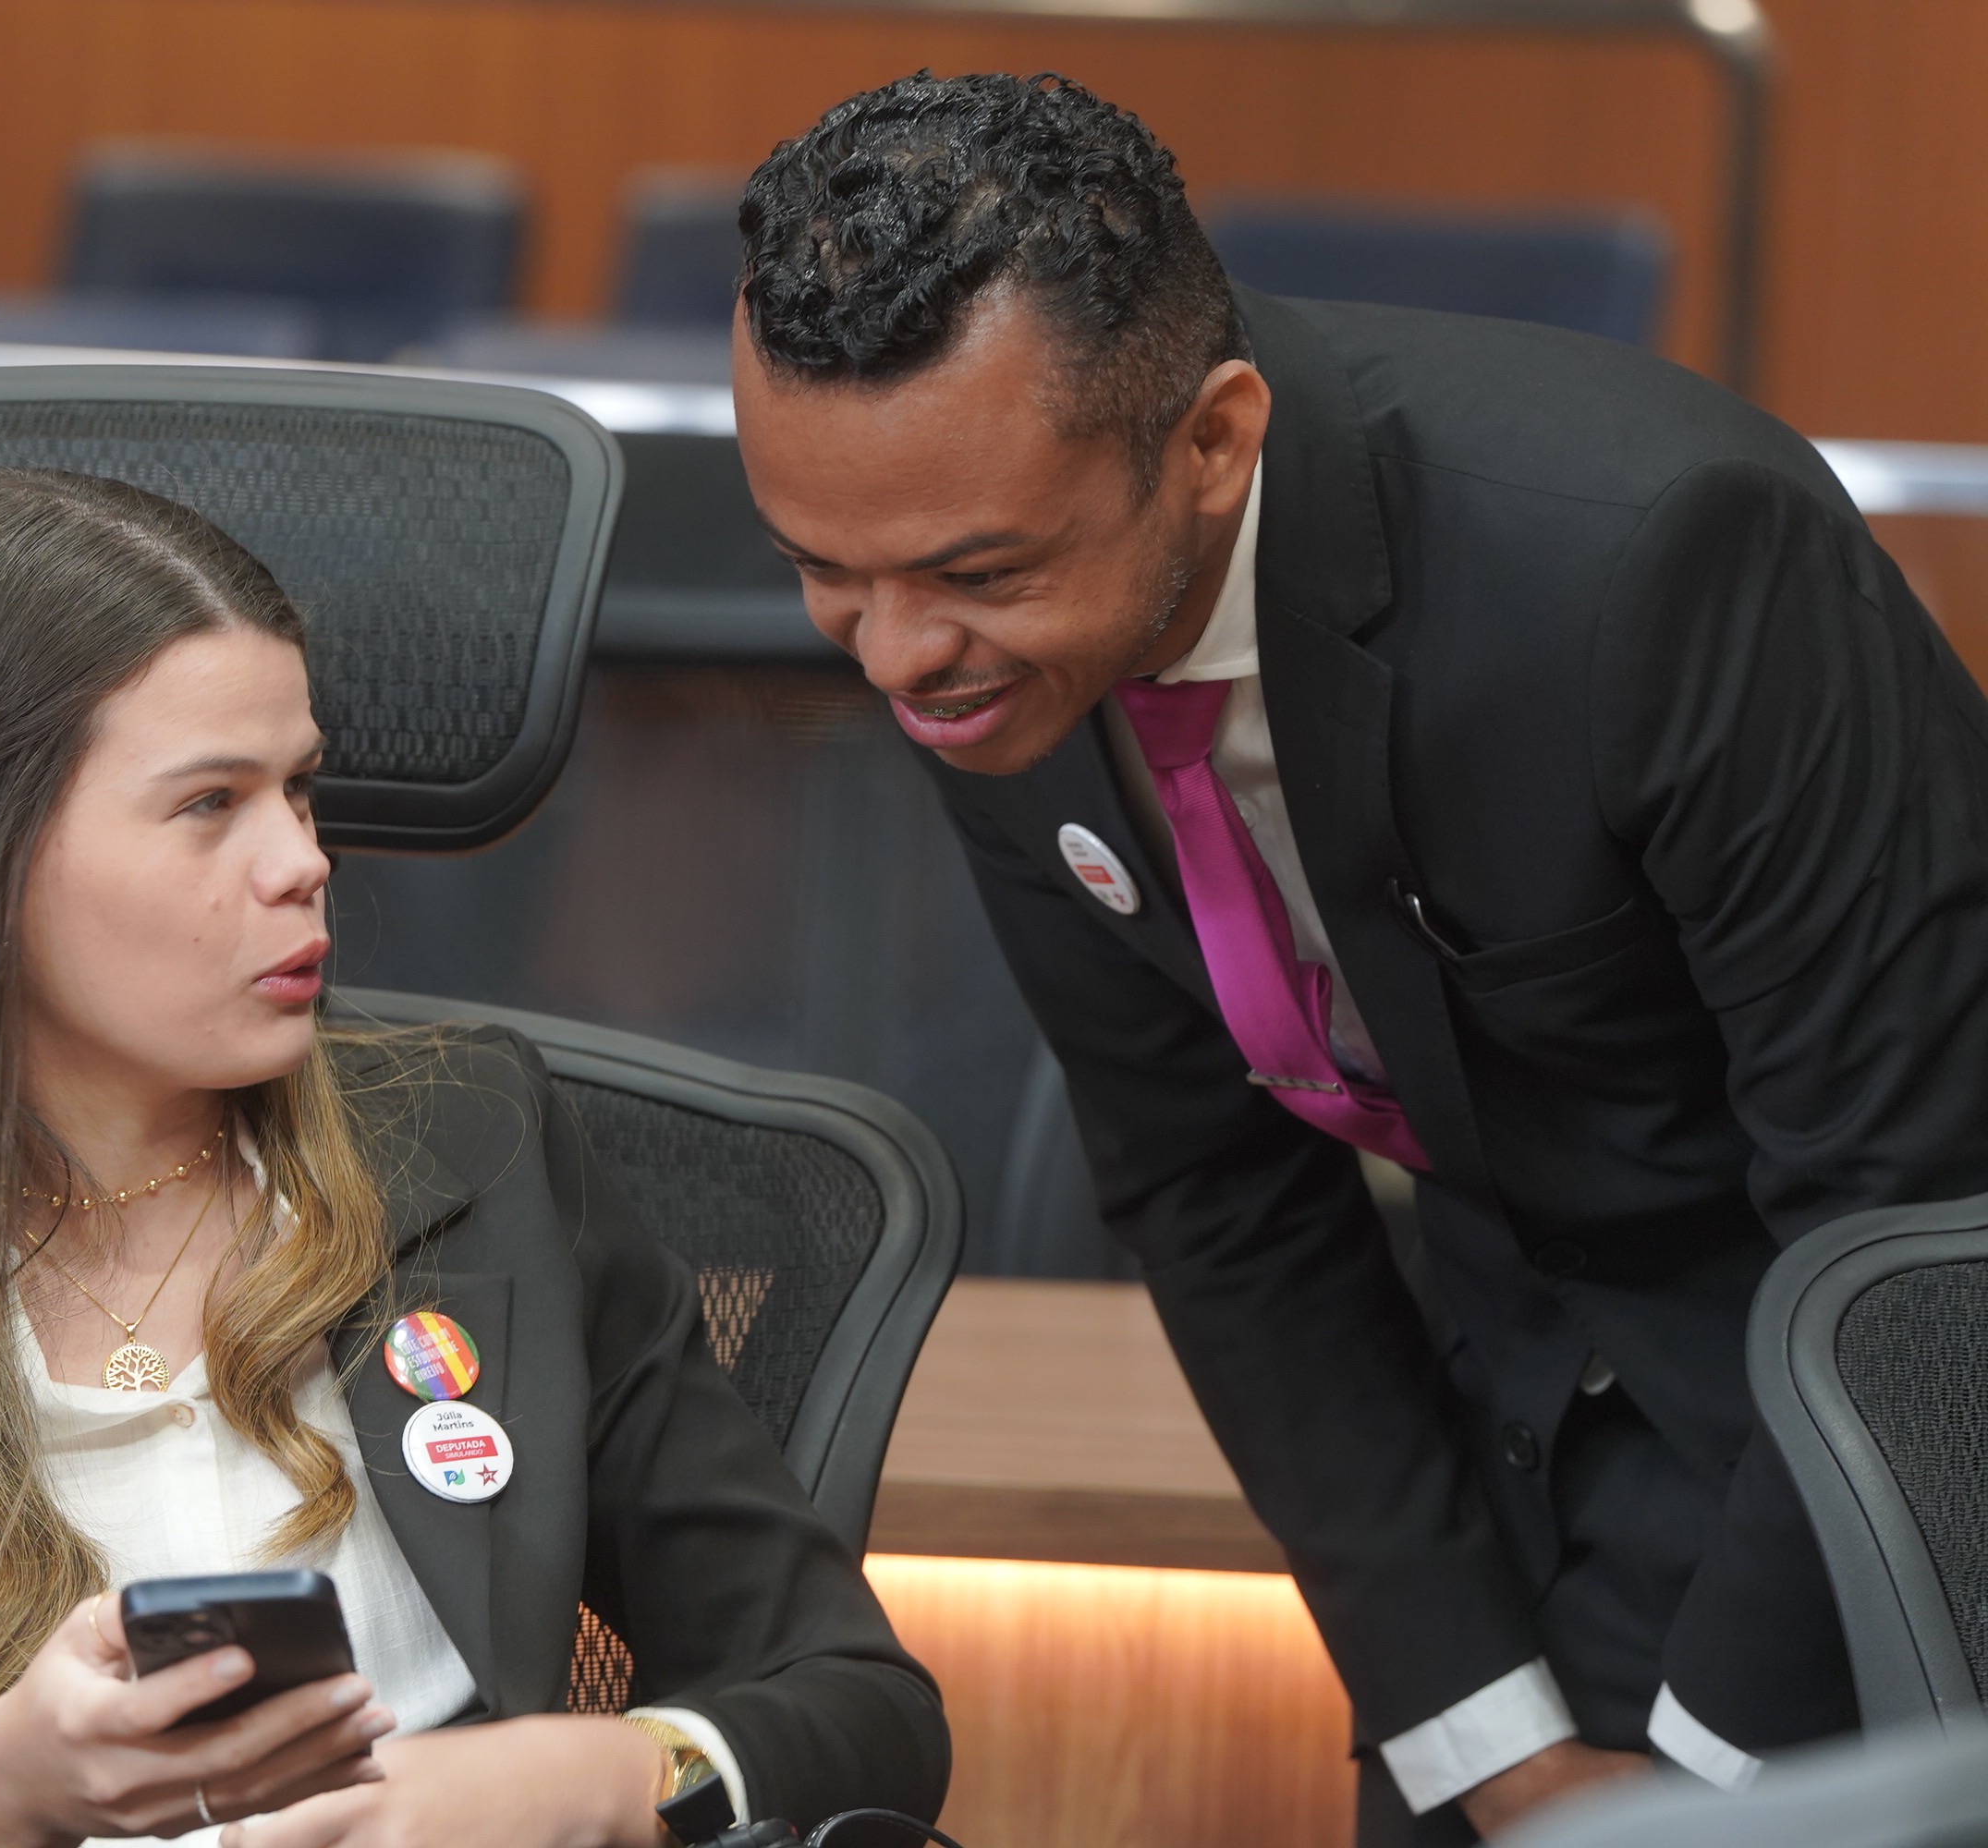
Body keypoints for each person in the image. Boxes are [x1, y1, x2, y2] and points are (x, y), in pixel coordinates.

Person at [729, 70, 1988, 1846]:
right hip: (1508, 1462)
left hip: (1887, 1481)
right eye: (822, 571)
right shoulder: (970, 629)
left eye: (974, 574)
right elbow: (1214, 1198)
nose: (892, 657)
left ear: (1213, 442)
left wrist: (1696, 1796)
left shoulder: (1662, 561)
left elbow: (1906, 1228)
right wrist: (1488, 1742)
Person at [0, 468, 949, 1848]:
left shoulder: (475, 1153)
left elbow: (858, 1708)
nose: (302, 860)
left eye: (299, 788)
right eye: (210, 804)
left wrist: (582, 1782)